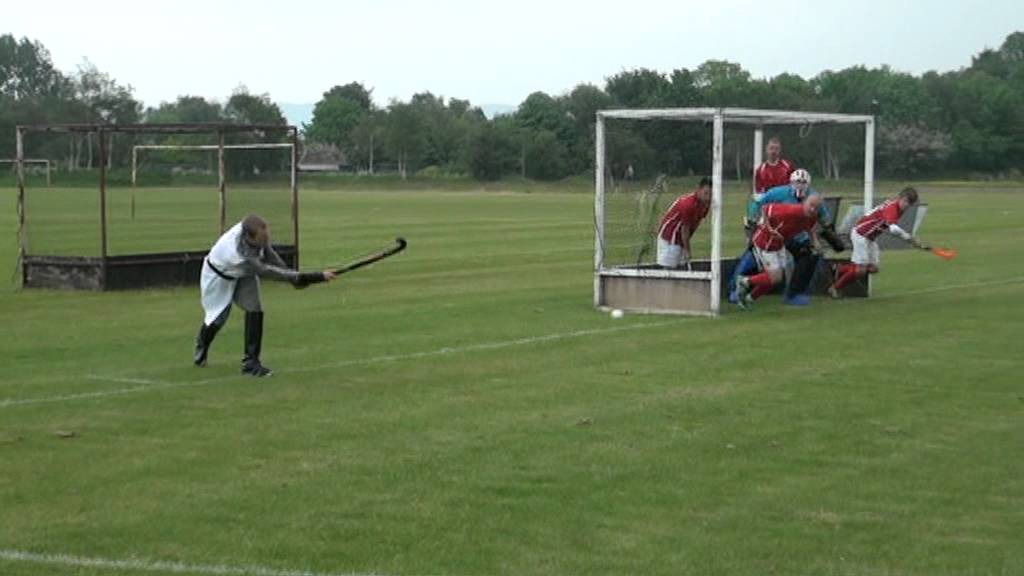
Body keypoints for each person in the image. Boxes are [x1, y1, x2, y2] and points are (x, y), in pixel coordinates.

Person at [194, 214, 337, 376]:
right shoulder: (237, 253)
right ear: (248, 236)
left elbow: (270, 254)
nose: (264, 242)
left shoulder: (255, 235)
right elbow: (266, 270)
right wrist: (313, 277)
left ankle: (251, 363)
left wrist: (293, 276)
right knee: (217, 319)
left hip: (243, 274)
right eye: (261, 240)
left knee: (255, 308)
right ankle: (202, 344)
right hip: (218, 277)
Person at [730, 137, 795, 303]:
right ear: (767, 150)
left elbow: (791, 192)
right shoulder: (760, 170)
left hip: (782, 218)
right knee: (753, 252)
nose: (774, 151)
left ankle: (782, 292)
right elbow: (758, 197)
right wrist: (754, 218)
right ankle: (734, 287)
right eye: (771, 148)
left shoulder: (787, 167)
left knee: (785, 257)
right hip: (766, 218)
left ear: (780, 150)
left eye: (776, 148)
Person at [828, 187, 923, 298]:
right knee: (861, 270)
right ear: (900, 198)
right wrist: (910, 238)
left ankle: (839, 269)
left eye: (909, 203)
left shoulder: (897, 208)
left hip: (870, 238)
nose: (906, 205)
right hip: (861, 234)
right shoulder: (893, 208)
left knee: (874, 268)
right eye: (905, 201)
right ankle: (834, 288)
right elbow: (893, 229)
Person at [735, 195, 823, 310]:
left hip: (779, 244)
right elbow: (765, 208)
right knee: (775, 277)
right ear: (805, 203)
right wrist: (768, 227)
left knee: (777, 279)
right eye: (811, 206)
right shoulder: (791, 211)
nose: (813, 210)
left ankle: (748, 299)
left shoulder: (811, 217)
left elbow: (810, 228)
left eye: (816, 208)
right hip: (765, 242)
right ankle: (744, 281)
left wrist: (815, 242)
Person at [656, 177, 711, 269]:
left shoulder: (705, 204)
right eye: (706, 193)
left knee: (680, 265)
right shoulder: (688, 204)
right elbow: (684, 229)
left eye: (711, 194)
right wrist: (687, 250)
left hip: (681, 237)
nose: (708, 197)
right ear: (698, 190)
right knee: (670, 266)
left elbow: (694, 224)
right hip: (670, 235)